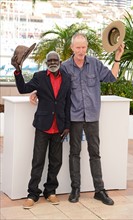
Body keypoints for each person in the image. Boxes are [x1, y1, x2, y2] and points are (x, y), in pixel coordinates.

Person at [30, 33, 125, 206]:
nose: (81, 51)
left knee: (94, 153)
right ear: (72, 48)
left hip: (92, 116)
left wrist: (117, 58)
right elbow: (51, 83)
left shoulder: (95, 64)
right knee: (74, 153)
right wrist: (37, 91)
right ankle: (75, 189)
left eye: (83, 47)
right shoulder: (65, 67)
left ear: (86, 47)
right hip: (74, 117)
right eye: (78, 47)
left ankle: (99, 190)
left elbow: (112, 77)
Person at [11, 51, 71, 209]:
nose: (52, 62)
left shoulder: (67, 78)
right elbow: (23, 88)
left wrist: (67, 126)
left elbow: (68, 102)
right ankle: (32, 194)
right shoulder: (39, 77)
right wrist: (18, 71)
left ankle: (50, 191)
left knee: (56, 162)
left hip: (59, 127)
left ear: (60, 61)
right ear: (46, 63)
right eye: (49, 60)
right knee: (37, 161)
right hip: (42, 126)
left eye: (55, 60)